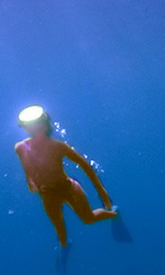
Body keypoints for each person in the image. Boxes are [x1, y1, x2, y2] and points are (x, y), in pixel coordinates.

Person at [15, 105, 117, 248]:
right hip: (48, 194)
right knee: (60, 232)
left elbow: (85, 165)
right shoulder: (20, 148)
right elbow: (27, 167)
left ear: (43, 125)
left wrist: (103, 193)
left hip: (68, 188)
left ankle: (113, 214)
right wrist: (30, 181)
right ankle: (64, 246)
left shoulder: (58, 146)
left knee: (88, 219)